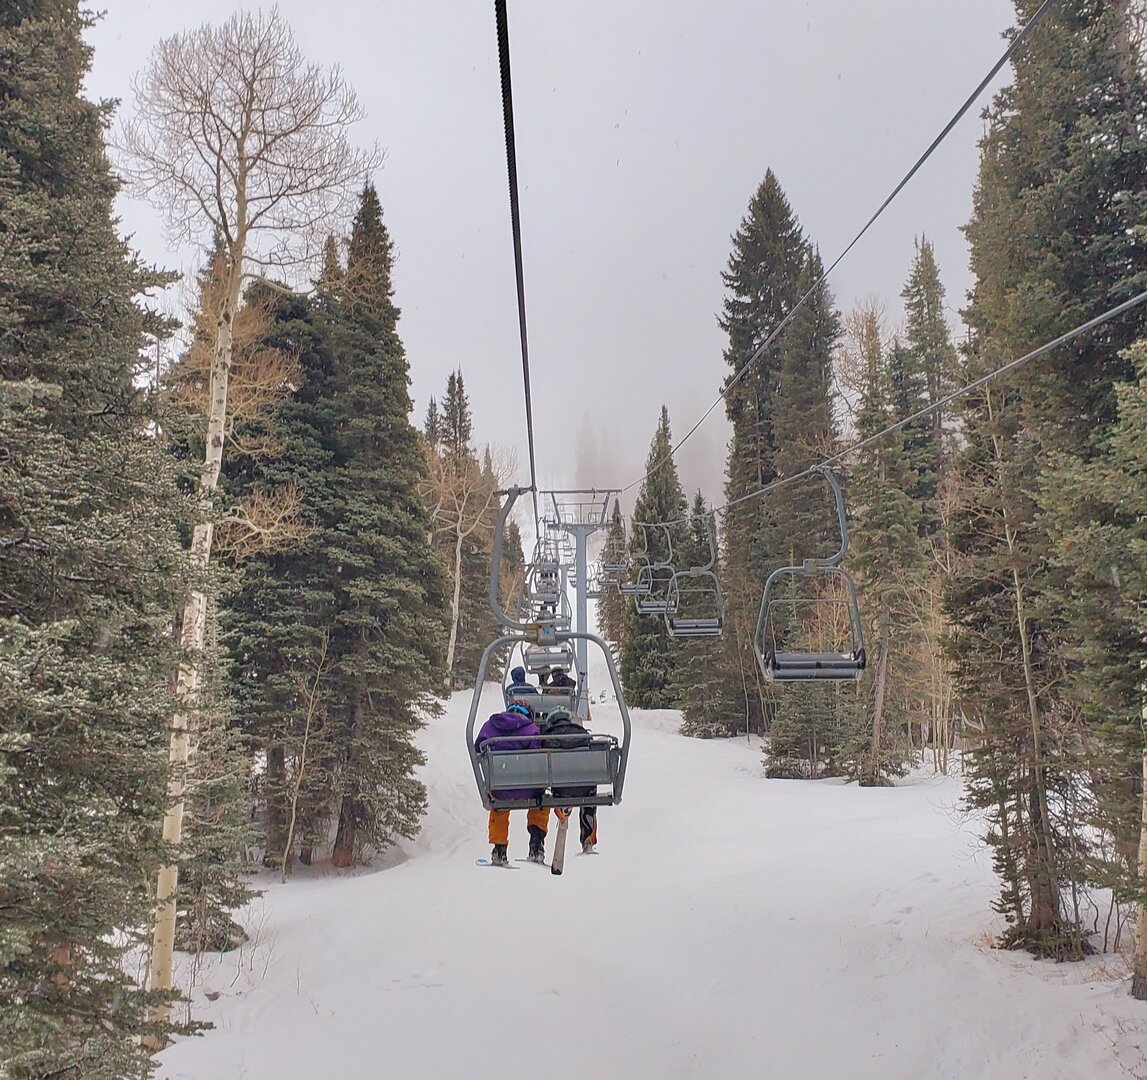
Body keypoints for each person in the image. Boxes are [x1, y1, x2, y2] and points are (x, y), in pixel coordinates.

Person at [474, 700, 549, 865]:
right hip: (528, 788)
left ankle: (499, 849)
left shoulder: (490, 725)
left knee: (498, 806)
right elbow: (538, 754)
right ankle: (536, 844)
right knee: (541, 800)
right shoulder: (532, 729)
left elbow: (478, 747)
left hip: (499, 787)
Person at [540, 707, 599, 855]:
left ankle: (563, 810)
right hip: (585, 787)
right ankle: (588, 838)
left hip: (562, 788)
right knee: (589, 797)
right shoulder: (583, 734)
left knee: (559, 787)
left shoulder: (548, 738)